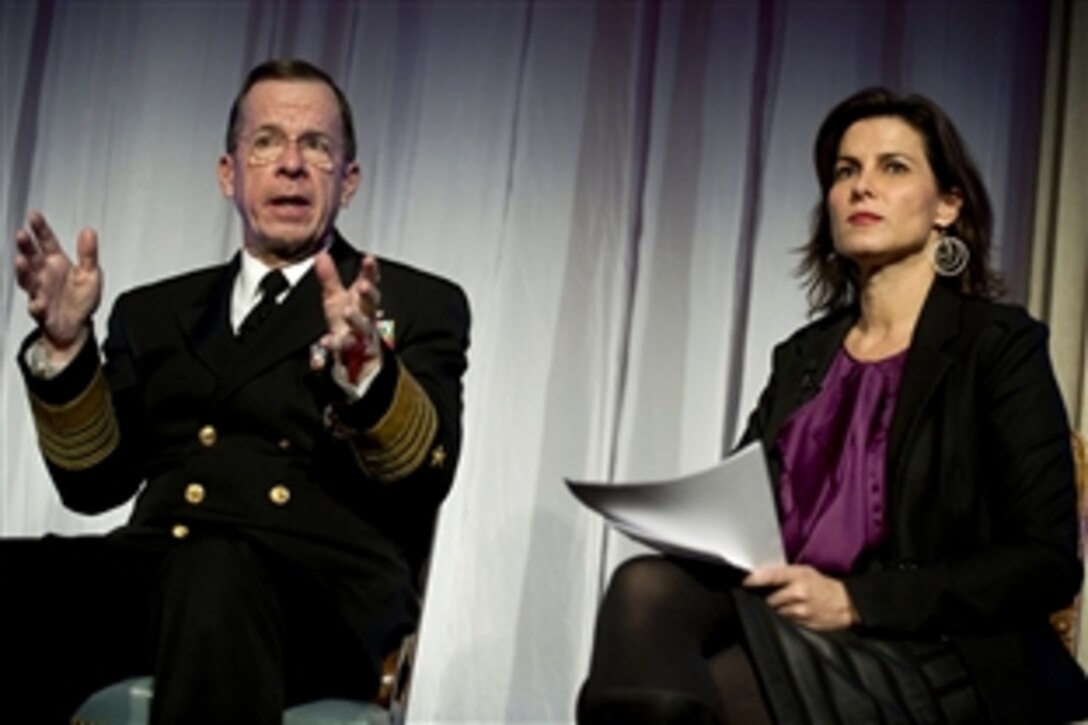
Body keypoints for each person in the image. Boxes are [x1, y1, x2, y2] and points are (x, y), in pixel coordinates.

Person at [577, 88, 1088, 724]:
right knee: (647, 588)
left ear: (947, 207)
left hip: (935, 649)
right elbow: (742, 512)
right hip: (793, 626)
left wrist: (855, 600)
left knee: (705, 695)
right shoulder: (804, 356)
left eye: (893, 168)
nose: (861, 188)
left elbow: (1045, 564)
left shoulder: (997, 346)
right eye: (846, 171)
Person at [7, 58, 469, 724]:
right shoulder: (155, 311)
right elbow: (93, 484)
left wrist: (367, 371)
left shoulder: (412, 301)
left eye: (316, 146)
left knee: (216, 572)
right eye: (265, 142)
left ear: (350, 180)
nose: (291, 163)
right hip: (155, 573)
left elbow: (424, 474)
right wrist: (64, 351)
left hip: (317, 592)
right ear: (229, 173)